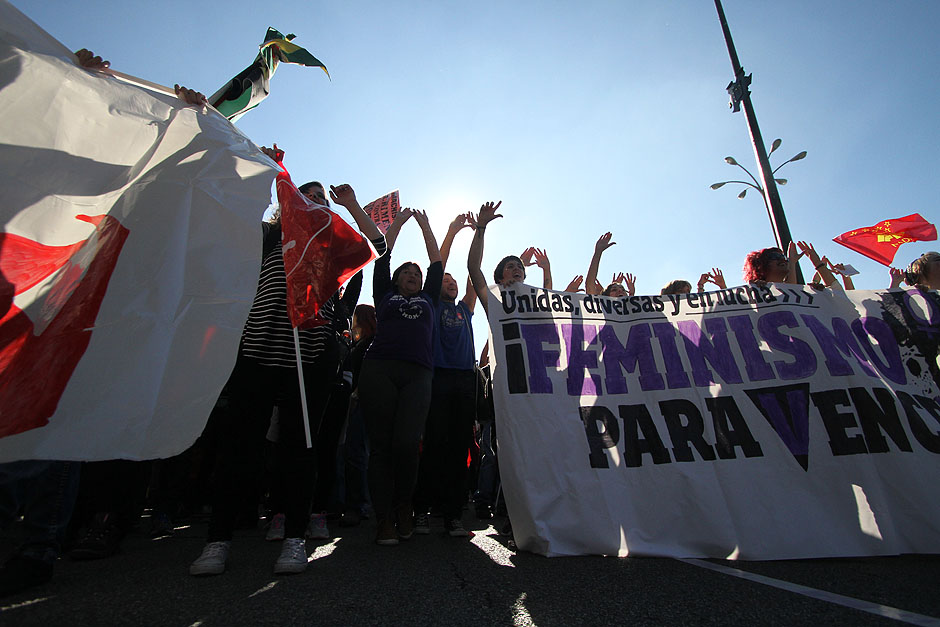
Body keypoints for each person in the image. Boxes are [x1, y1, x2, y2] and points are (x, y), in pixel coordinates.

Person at [189, 147, 385, 576]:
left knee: (301, 447)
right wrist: (261, 172)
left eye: (321, 197)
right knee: (240, 448)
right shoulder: (266, 236)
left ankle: (295, 539)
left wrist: (350, 206)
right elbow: (228, 214)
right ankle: (218, 541)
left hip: (310, 355)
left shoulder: (334, 239)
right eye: (305, 193)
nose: (313, 199)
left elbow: (377, 245)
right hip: (258, 348)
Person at [358, 207, 442, 546]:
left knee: (407, 444)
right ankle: (383, 520)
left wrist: (424, 225)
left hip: (418, 373)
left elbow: (436, 263)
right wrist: (398, 223)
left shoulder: (429, 299)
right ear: (396, 279)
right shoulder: (385, 295)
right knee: (380, 448)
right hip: (379, 368)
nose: (413, 275)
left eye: (416, 273)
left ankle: (404, 504)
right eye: (407, 271)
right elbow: (383, 254)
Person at [413, 213, 478, 538]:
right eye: (445, 280)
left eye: (454, 282)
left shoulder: (465, 308)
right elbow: (438, 262)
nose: (450, 283)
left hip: (466, 381)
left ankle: (454, 517)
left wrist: (478, 233)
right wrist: (451, 231)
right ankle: (422, 511)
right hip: (438, 377)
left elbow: (473, 276)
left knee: (459, 450)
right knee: (435, 445)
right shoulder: (432, 306)